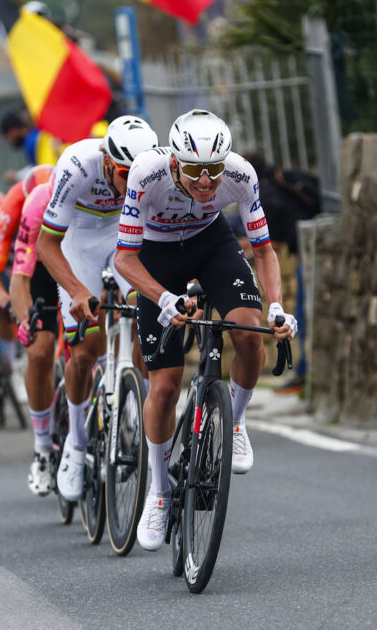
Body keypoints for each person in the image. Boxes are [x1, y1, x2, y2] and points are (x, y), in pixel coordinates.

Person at [113, 109, 298, 551]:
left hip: (210, 244)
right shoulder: (146, 174)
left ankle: (234, 422)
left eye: (214, 170)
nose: (206, 182)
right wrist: (162, 298)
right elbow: (124, 258)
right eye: (195, 171)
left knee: (250, 332)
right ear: (175, 162)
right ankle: (158, 492)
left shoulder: (239, 174)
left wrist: (275, 305)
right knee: (164, 388)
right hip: (156, 256)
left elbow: (264, 250)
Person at [36, 115, 159, 502]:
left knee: (148, 313)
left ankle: (139, 407)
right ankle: (75, 440)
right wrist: (75, 291)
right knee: (86, 348)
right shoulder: (77, 165)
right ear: (107, 162)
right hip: (79, 238)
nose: (129, 182)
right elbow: (46, 245)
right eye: (124, 173)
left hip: (126, 235)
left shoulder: (155, 170)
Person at [246, 153, 322, 393]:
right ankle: (303, 373)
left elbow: (270, 246)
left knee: (301, 314)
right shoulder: (277, 185)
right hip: (312, 248)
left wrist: (242, 252)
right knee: (304, 313)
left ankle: (302, 375)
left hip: (309, 253)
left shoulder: (267, 196)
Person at [0, 164, 55, 403]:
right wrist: (10, 307)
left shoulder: (73, 192)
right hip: (28, 263)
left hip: (62, 255)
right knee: (40, 352)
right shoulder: (11, 205)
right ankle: (17, 359)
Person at [6, 179, 60, 494]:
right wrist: (25, 319)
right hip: (39, 271)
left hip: (76, 260)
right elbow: (18, 278)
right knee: (40, 351)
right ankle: (42, 446)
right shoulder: (28, 204)